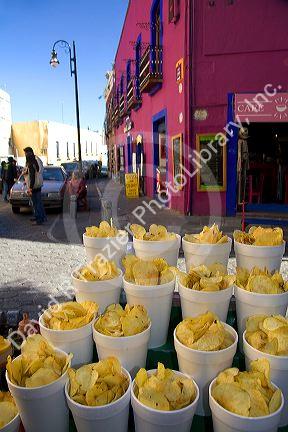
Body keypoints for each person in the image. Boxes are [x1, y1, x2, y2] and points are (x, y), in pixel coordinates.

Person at [24, 147, 47, 225]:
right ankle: (42, 217)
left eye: (26, 153)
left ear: (28, 153)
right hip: (38, 185)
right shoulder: (36, 160)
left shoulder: (31, 163)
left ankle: (39, 219)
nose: (25, 155)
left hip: (34, 186)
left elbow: (32, 176)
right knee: (39, 203)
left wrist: (30, 187)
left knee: (36, 204)